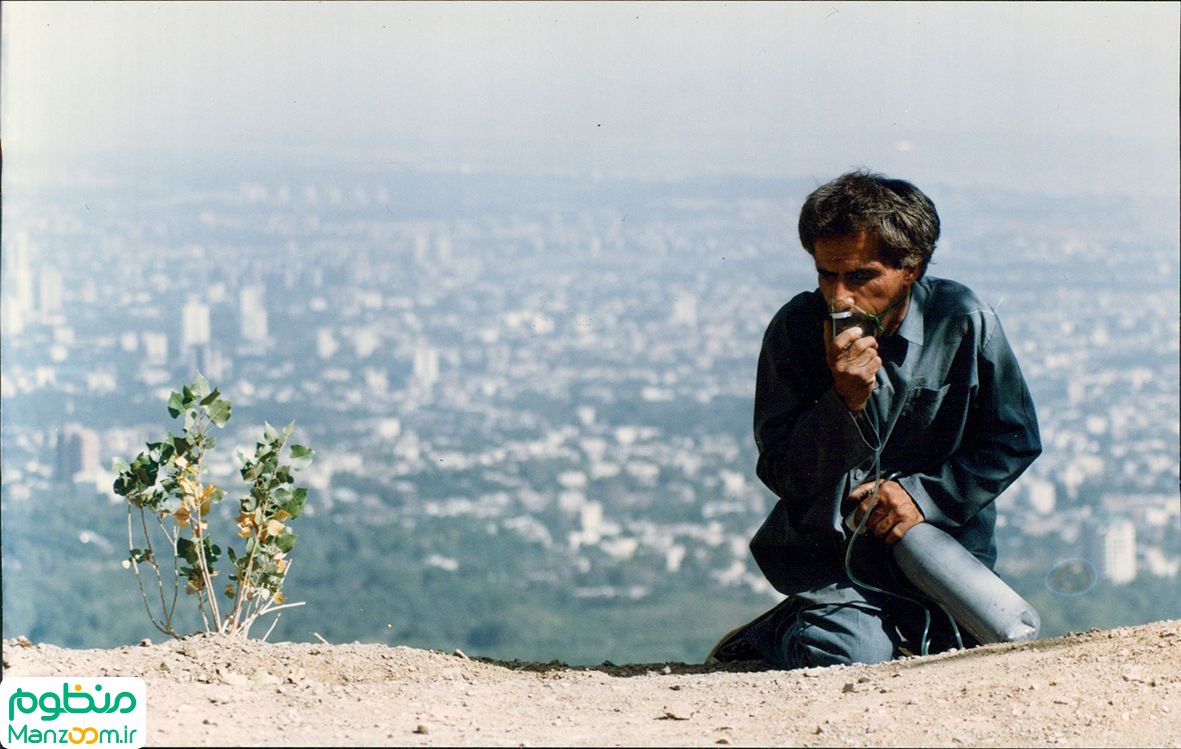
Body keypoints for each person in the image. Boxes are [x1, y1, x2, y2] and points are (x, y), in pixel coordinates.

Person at [708, 170, 1041, 668]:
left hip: (940, 551)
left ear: (911, 268)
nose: (840, 297)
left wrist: (921, 497)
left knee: (977, 654)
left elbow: (1013, 439)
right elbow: (783, 473)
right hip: (834, 561)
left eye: (861, 277)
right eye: (826, 275)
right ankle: (778, 633)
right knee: (858, 660)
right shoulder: (796, 331)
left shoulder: (962, 321)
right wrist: (843, 404)